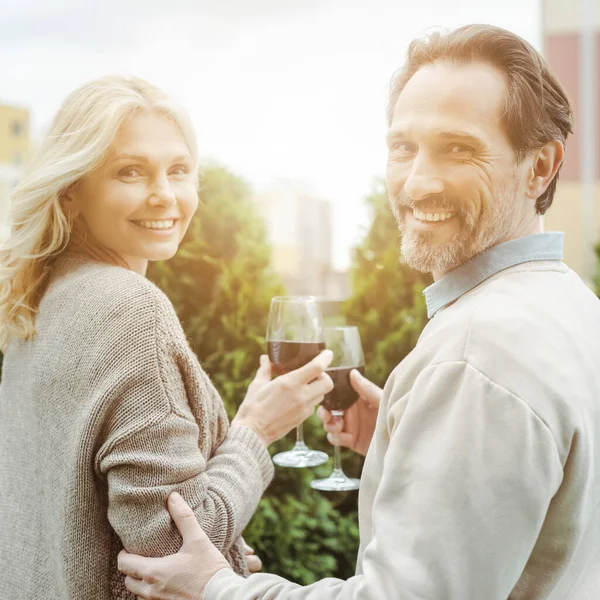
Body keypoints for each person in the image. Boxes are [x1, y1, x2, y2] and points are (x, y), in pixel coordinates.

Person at [118, 24, 600, 600]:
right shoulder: (574, 306)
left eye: (458, 149)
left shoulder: (476, 352)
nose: (417, 181)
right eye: (403, 147)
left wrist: (218, 588)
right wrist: (409, 448)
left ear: (540, 167)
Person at [0, 75, 334, 600]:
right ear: (71, 192)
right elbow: (174, 547)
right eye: (129, 171)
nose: (164, 195)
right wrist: (255, 429)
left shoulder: (35, 301)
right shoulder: (130, 308)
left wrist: (227, 560)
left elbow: (71, 515)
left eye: (179, 170)